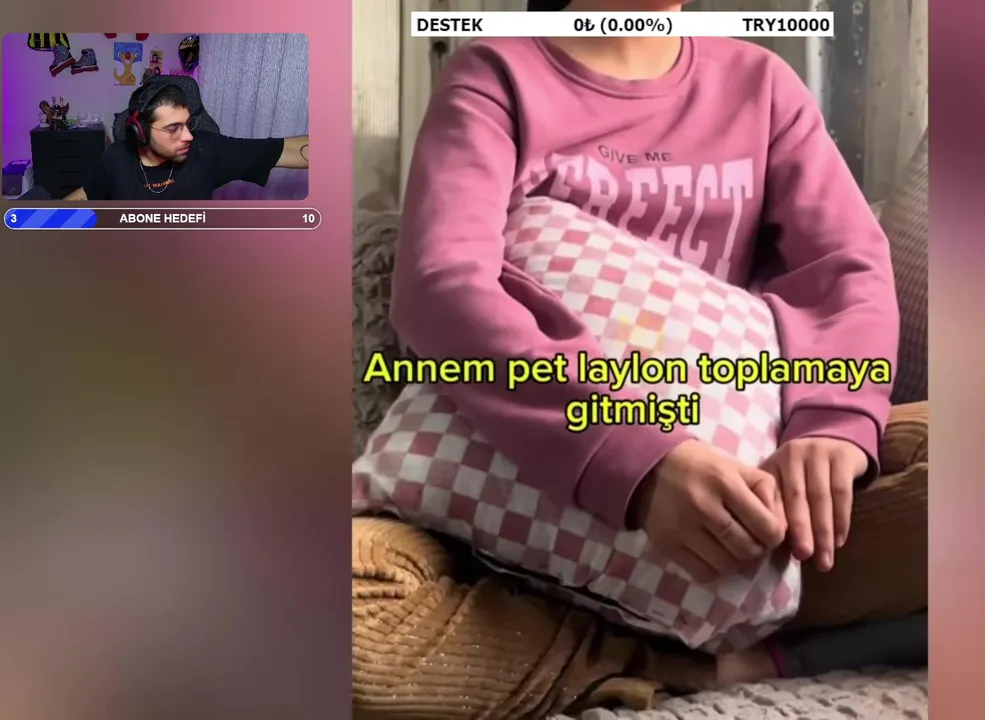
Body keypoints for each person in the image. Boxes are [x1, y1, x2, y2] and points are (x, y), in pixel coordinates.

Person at [390, 0, 927, 686]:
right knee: (339, 604)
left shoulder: (762, 86)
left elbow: (845, 267)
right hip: (511, 505)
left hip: (748, 507)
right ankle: (664, 661)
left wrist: (833, 419)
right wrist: (637, 462)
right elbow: (440, 289)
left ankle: (738, 629)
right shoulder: (496, 75)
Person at [63, 81, 309, 200]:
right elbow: (86, 196)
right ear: (141, 132)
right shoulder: (116, 158)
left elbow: (286, 150)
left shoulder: (206, 150)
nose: (188, 136)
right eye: (173, 128)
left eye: (187, 124)